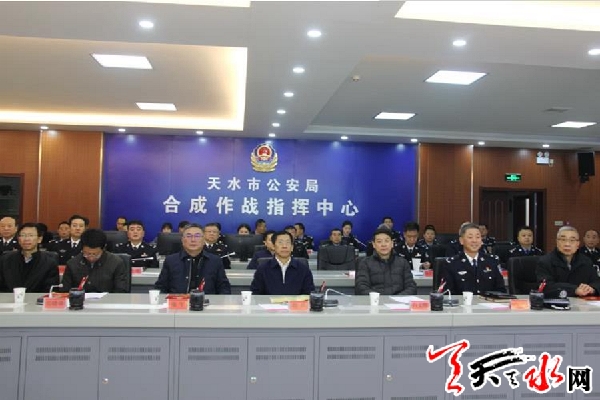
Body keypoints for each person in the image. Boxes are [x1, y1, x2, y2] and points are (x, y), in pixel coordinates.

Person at [154, 223, 231, 294]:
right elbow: (160, 288)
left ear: (203, 240)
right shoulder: (171, 260)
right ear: (182, 240)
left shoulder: (215, 261)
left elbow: (224, 288)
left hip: (207, 302)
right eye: (189, 236)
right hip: (178, 302)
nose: (193, 240)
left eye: (197, 236)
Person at [536, 226, 600, 298]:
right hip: (555, 302)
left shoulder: (586, 261)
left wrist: (592, 289)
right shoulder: (545, 261)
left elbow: (596, 282)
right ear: (557, 242)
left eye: (572, 240)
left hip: (582, 303)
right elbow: (545, 286)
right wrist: (574, 290)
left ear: (578, 244)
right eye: (563, 240)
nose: (567, 244)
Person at [443, 223, 505, 295]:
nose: (474, 240)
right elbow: (447, 294)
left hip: (488, 301)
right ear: (461, 240)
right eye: (470, 237)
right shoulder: (452, 263)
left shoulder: (492, 261)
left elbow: (501, 291)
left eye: (478, 237)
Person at [61, 228, 129, 293]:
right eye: (87, 254)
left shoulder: (116, 263)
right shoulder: (72, 264)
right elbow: (65, 291)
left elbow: (121, 291)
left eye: (95, 254)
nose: (91, 258)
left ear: (103, 249)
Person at [250, 231, 314, 295]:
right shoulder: (262, 269)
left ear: (292, 247)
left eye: (288, 242)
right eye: (280, 242)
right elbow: (256, 294)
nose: (284, 246)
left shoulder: (303, 269)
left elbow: (309, 294)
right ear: (274, 246)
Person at [0, 222, 59, 292]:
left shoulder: (49, 263)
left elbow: (50, 291)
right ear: (18, 239)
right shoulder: (5, 260)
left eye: (31, 235)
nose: (26, 239)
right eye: (23, 235)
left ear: (39, 239)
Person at [356, 228, 416, 295]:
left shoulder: (403, 263)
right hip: (375, 300)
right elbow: (361, 287)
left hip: (398, 300)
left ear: (392, 243)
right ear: (374, 244)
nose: (383, 244)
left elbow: (411, 287)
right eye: (379, 241)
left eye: (386, 241)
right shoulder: (365, 263)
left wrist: (397, 298)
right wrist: (377, 298)